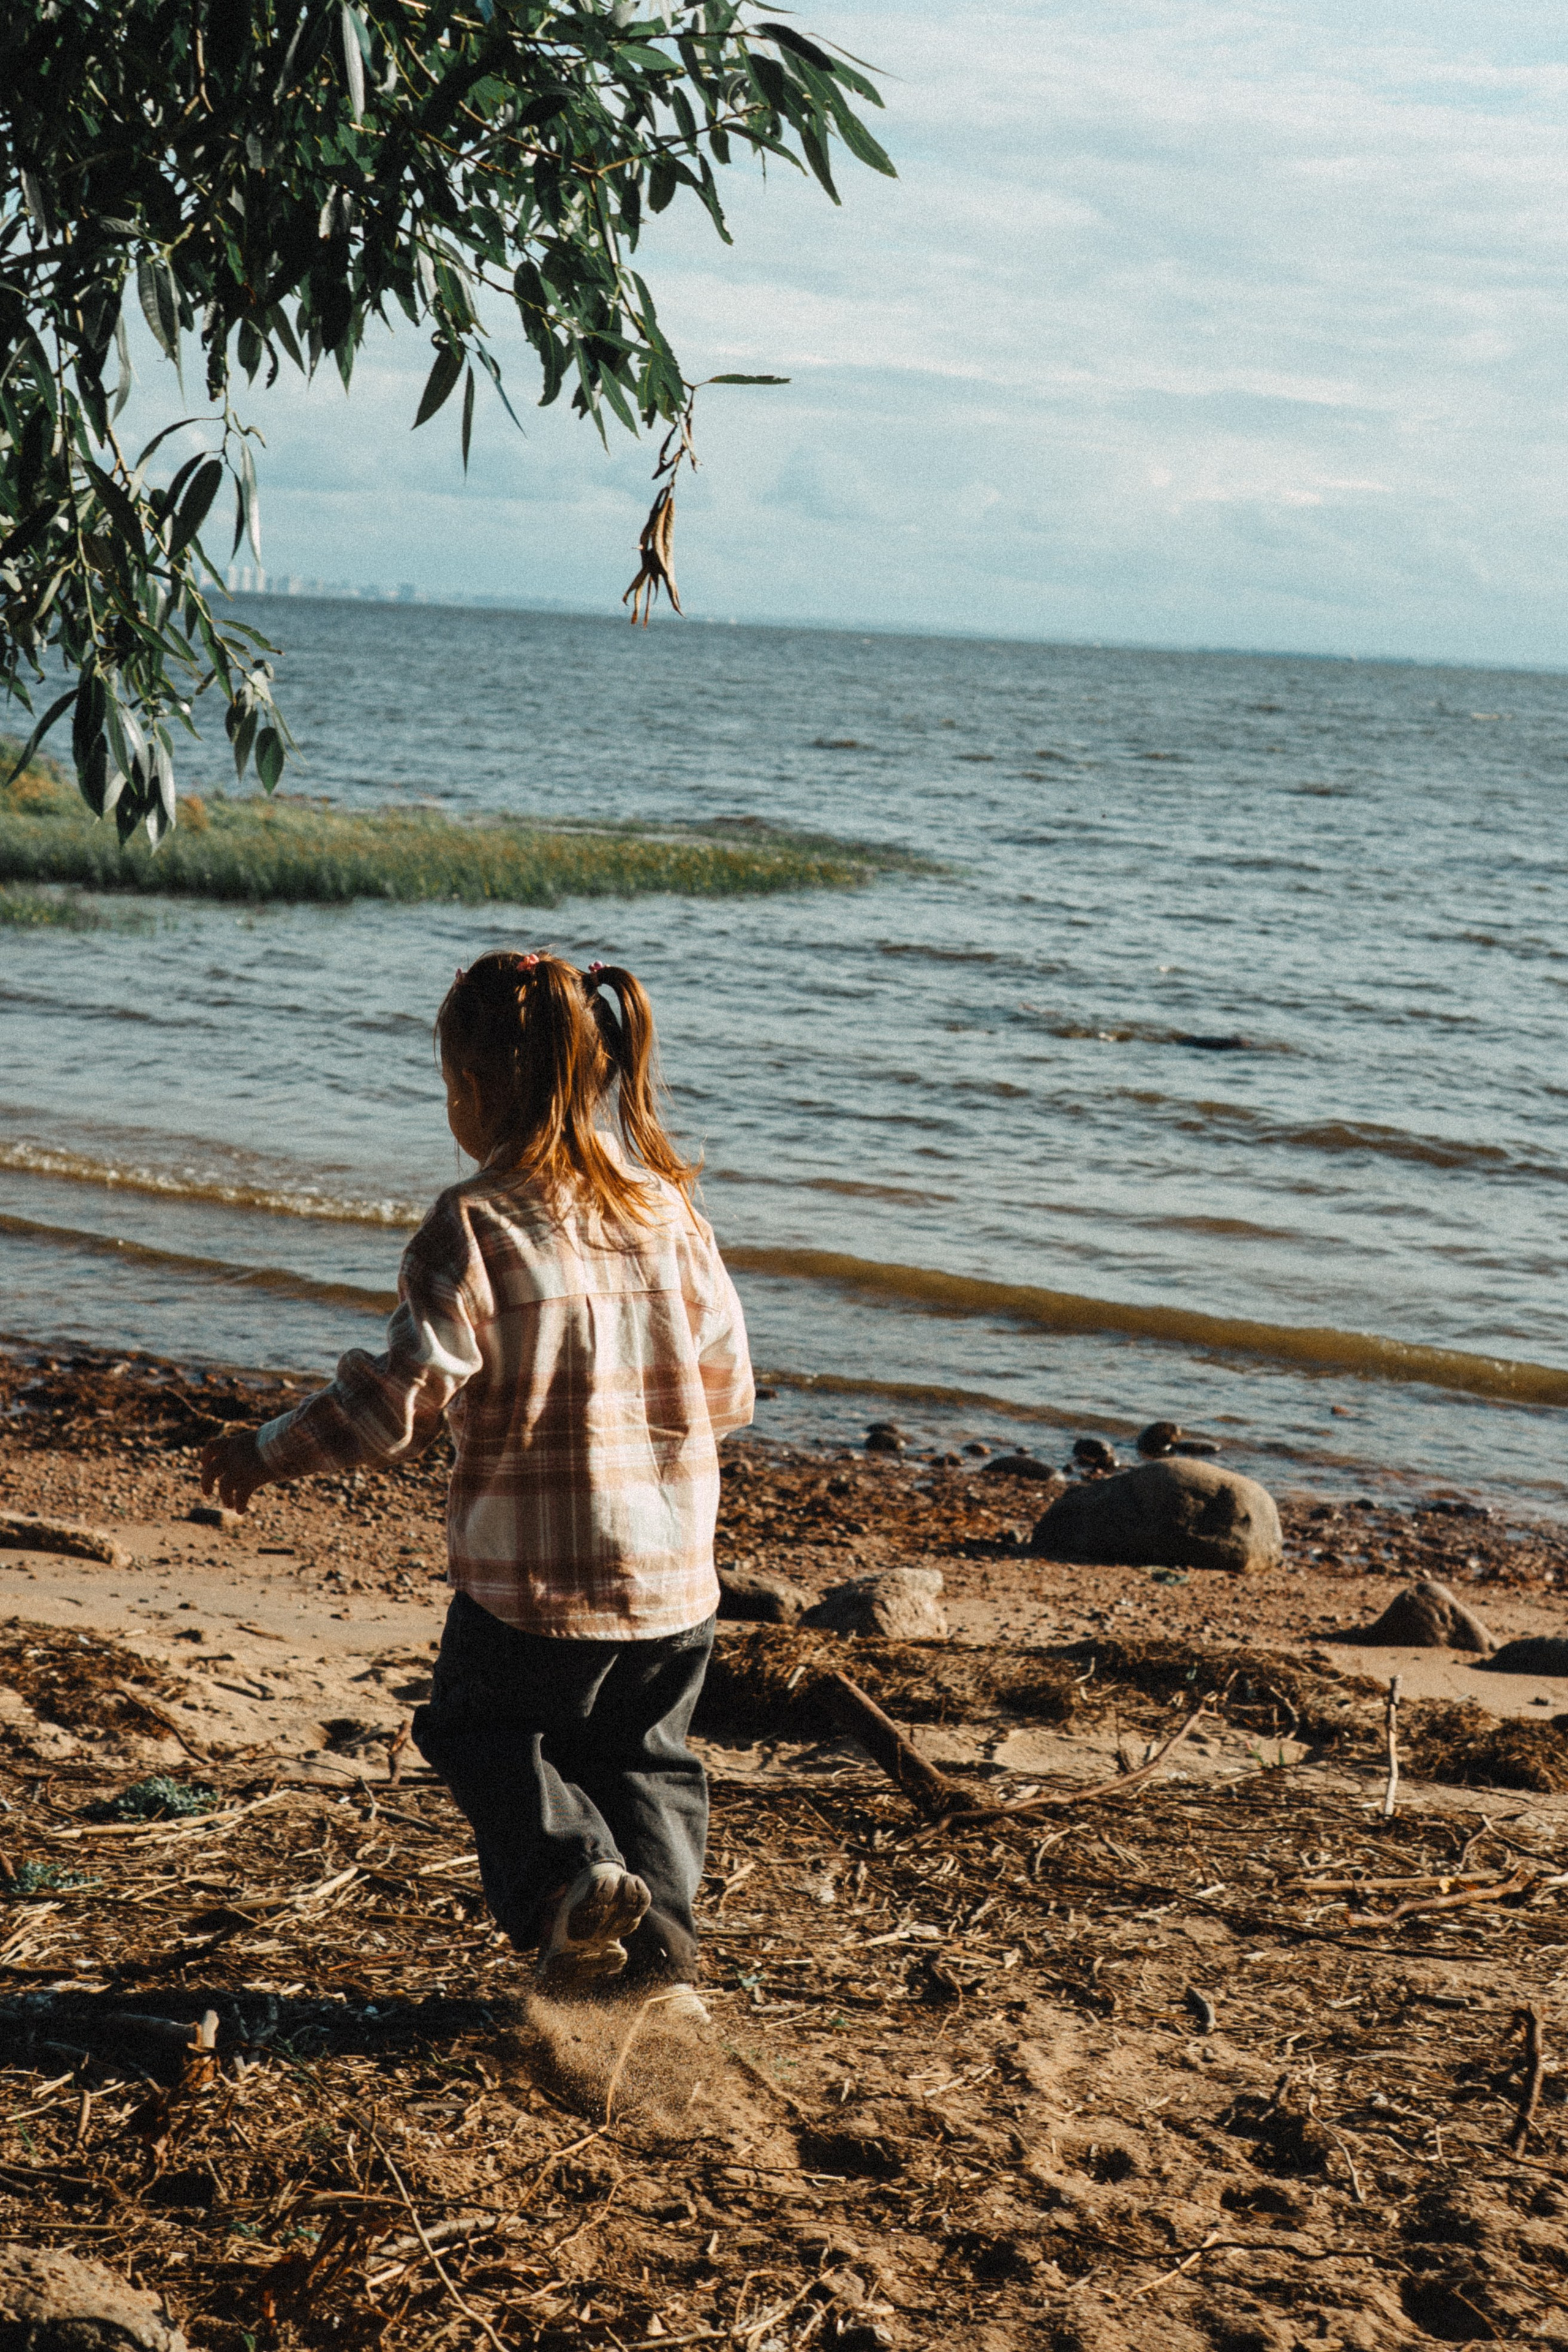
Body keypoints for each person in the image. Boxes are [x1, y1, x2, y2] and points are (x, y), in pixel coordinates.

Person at [201, 949, 753, 2015]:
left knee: (478, 1730)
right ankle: (662, 1976)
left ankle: (568, 1881)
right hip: (673, 1578)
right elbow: (727, 1388)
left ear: (471, 1087)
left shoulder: (474, 1223)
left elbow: (392, 1407)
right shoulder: (668, 1210)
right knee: (646, 1762)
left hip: (529, 1589)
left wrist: (266, 1451)